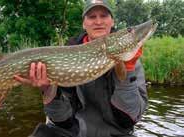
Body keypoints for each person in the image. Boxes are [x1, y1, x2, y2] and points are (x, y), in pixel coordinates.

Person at [13, 0, 148, 137]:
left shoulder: (132, 62)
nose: (98, 22)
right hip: (75, 132)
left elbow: (130, 118)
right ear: (84, 24)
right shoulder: (66, 56)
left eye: (104, 16)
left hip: (116, 133)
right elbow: (62, 120)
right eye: (92, 17)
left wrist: (128, 70)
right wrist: (48, 90)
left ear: (112, 22)